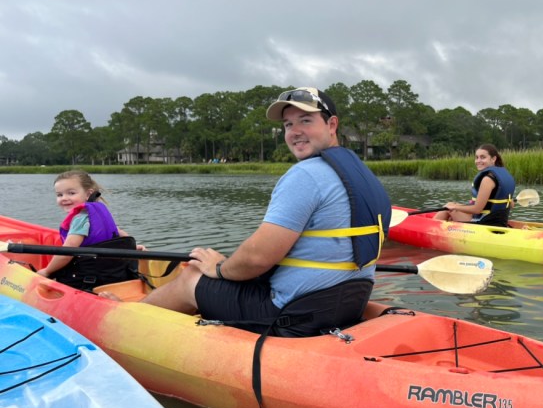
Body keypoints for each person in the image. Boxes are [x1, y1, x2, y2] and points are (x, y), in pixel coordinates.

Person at [105, 87, 391, 337]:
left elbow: (256, 258)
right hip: (344, 305)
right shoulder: (365, 177)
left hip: (293, 314)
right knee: (225, 274)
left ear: (332, 124)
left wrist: (218, 268)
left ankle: (128, 317)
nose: (294, 132)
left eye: (305, 120)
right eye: (288, 124)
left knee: (192, 275)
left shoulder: (306, 175)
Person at [37, 170, 143, 290]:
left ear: (88, 194)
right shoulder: (99, 212)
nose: (64, 198)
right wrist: (133, 247)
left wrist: (47, 271)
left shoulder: (80, 219)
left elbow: (67, 253)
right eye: (59, 195)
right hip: (113, 273)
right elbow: (121, 235)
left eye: (71, 193)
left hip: (89, 278)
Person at [434, 144, 516, 227]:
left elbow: (477, 209)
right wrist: (456, 205)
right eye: (477, 157)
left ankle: (430, 229)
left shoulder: (487, 179)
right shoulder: (503, 175)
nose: (478, 161)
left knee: (447, 209)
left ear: (493, 159)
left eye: (483, 157)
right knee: (452, 205)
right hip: (499, 221)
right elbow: (511, 204)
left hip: (486, 223)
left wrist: (454, 207)